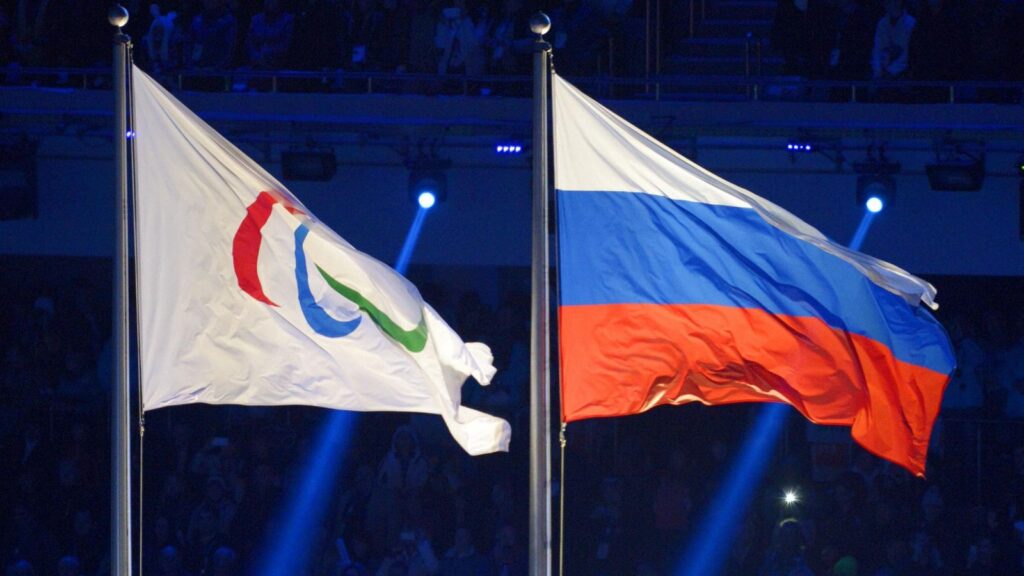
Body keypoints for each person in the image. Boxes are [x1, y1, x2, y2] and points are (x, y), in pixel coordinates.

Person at [871, 0, 915, 80]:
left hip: (903, 75)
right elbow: (877, 49)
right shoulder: (882, 23)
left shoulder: (911, 23)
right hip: (881, 75)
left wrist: (891, 71)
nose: (891, 3)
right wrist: (877, 71)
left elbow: (908, 53)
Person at [245, 0, 294, 69]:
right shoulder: (255, 19)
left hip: (279, 66)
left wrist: (266, 54)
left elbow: (285, 44)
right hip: (255, 65)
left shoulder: (288, 20)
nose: (268, 2)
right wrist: (256, 56)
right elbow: (249, 43)